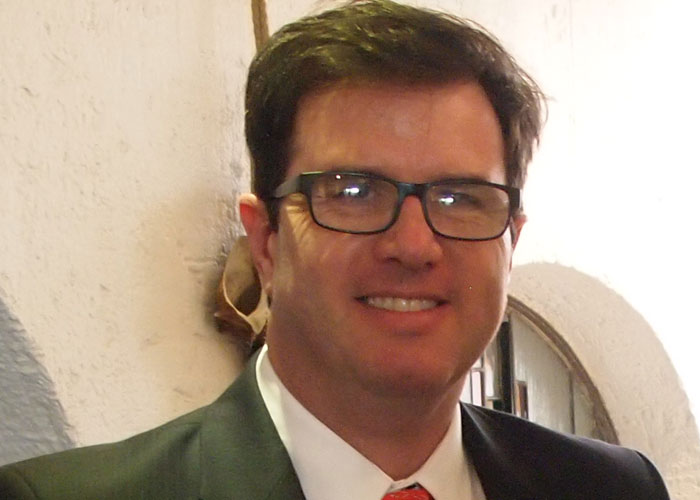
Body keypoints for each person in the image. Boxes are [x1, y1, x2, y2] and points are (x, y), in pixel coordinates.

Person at [0, 1, 670, 499]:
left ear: (511, 241)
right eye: (355, 192)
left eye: (461, 198)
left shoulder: (611, 489)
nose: (414, 245)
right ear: (266, 241)